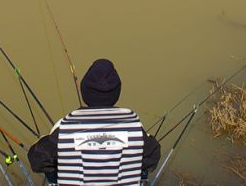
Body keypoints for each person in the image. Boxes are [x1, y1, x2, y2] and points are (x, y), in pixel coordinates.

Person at [27, 58, 161, 177]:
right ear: (116, 92)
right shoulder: (133, 125)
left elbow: (37, 160)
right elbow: (152, 156)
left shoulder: (66, 126)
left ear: (85, 91)